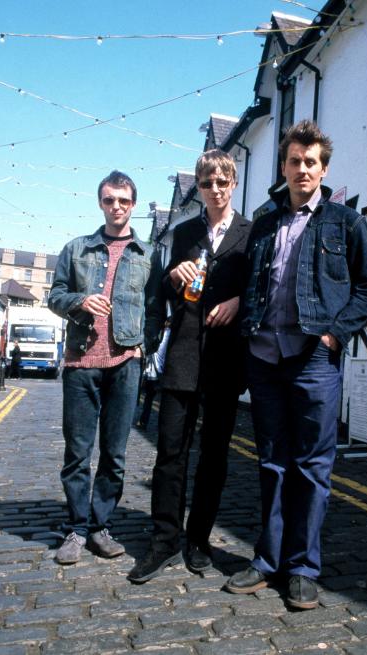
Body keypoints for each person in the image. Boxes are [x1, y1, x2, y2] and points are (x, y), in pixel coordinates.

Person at [225, 121, 367, 609]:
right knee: (270, 461)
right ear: (285, 167)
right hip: (265, 357)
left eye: (311, 162)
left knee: (313, 466)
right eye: (294, 161)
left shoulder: (345, 222)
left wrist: (335, 333)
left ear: (323, 168)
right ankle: (267, 561)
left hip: (314, 358)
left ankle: (302, 568)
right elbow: (251, 281)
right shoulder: (265, 223)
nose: (302, 169)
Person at [128, 150, 251, 583]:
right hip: (182, 353)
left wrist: (239, 301)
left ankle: (198, 541)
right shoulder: (181, 235)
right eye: (206, 184)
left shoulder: (250, 233)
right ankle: (163, 542)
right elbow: (161, 291)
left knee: (214, 456)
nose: (214, 190)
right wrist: (172, 277)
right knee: (170, 452)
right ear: (198, 189)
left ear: (233, 183)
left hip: (224, 360)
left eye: (221, 182)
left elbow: (258, 290)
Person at [48, 170, 153, 565]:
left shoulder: (147, 255)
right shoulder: (77, 249)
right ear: (100, 203)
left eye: (124, 201)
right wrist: (79, 301)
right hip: (80, 362)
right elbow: (54, 296)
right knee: (77, 452)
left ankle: (100, 526)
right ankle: (75, 529)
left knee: (115, 453)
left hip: (126, 363)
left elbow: (156, 307)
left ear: (134, 206)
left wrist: (145, 346)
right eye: (110, 200)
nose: (117, 207)